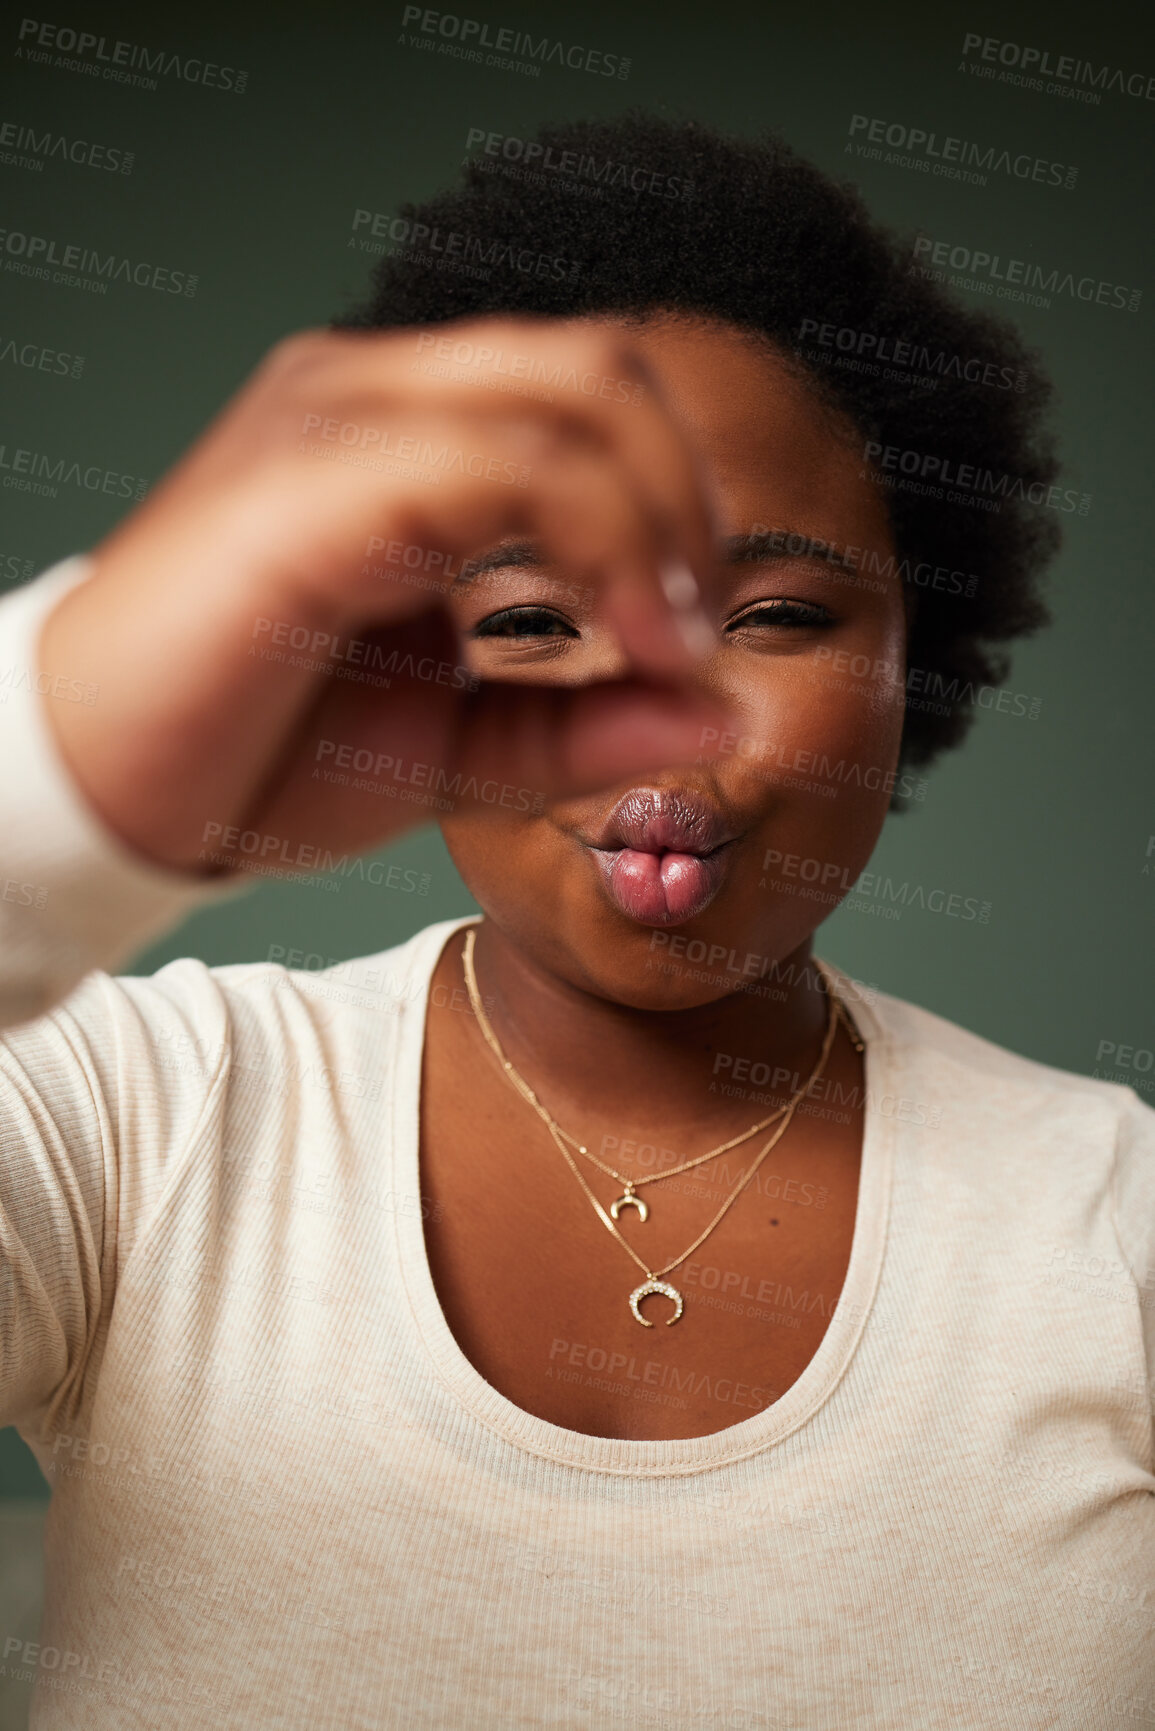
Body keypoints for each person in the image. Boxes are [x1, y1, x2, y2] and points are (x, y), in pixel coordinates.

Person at [1, 113, 1151, 1729]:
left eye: (776, 616)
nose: (657, 718)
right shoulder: (120, 1118)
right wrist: (78, 784)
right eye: (534, 620)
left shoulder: (1120, 1226)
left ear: (922, 649)